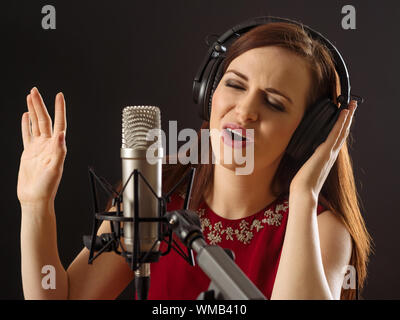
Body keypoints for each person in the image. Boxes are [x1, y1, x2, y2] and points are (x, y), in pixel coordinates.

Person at [17, 21, 371, 300]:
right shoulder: (155, 189)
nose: (245, 110)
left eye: (274, 103)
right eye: (235, 84)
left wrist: (304, 195)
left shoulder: (323, 228)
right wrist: (36, 205)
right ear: (208, 93)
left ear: (308, 132)